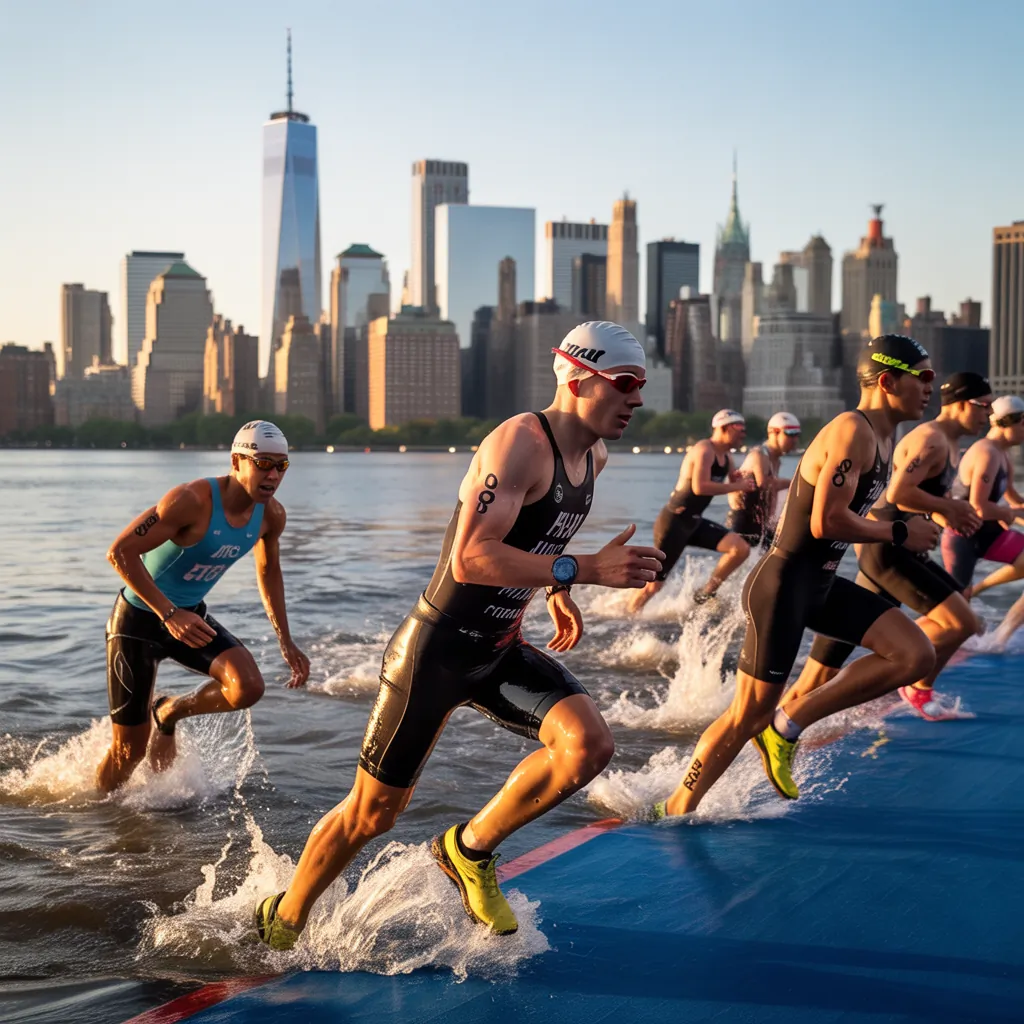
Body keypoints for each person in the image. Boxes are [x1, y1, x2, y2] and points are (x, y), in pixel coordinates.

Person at [255, 322, 665, 951]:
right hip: (437, 650)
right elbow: (471, 559)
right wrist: (582, 570)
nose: (637, 398)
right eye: (626, 383)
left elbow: (536, 538)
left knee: (588, 747)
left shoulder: (595, 456)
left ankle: (467, 851)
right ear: (579, 378)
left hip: (498, 648)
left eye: (642, 384)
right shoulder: (518, 443)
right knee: (373, 813)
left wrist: (558, 590)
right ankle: (281, 921)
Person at [655, 335, 940, 816]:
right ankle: (677, 805)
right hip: (782, 585)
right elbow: (823, 521)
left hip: (821, 585)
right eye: (925, 376)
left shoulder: (884, 437)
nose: (932, 387)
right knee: (746, 712)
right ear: (888, 380)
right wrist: (898, 532)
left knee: (914, 653)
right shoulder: (853, 430)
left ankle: (788, 724)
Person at [97, 420, 310, 792]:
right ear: (236, 460)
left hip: (188, 616)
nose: (273, 474)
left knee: (247, 687)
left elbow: (269, 571)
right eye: (263, 463)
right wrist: (168, 613)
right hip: (137, 621)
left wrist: (285, 640)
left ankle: (169, 711)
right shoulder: (190, 501)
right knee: (128, 751)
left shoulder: (271, 516)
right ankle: (98, 821)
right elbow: (120, 553)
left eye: (282, 466)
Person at [781, 372, 991, 723]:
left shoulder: (949, 444)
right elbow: (898, 493)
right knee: (961, 622)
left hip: (893, 548)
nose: (987, 415)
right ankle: (913, 686)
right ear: (958, 405)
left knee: (824, 666)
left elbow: (917, 497)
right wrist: (948, 508)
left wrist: (946, 512)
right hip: (888, 550)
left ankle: (782, 717)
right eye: (983, 406)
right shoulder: (932, 439)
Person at [629, 409, 755, 613]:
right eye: (739, 428)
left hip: (694, 522)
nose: (743, 433)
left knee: (740, 549)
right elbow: (700, 487)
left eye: (744, 429)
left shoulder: (727, 457)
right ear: (723, 428)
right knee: (655, 585)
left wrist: (743, 484)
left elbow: (734, 486)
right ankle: (627, 617)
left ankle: (706, 593)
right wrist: (737, 486)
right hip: (674, 522)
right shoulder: (704, 450)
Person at [942, 394, 1024, 648]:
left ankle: (1000, 639)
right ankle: (921, 652)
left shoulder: (1003, 456)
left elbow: (1013, 501)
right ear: (1006, 423)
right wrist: (1009, 515)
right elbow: (979, 508)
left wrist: (1014, 512)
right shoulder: (986, 454)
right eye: (1023, 424)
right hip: (962, 537)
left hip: (989, 534)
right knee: (954, 616)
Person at [725, 412, 801, 547]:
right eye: (790, 433)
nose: (794, 439)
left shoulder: (776, 460)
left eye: (797, 433)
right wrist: (794, 483)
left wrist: (772, 524)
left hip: (760, 521)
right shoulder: (759, 454)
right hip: (743, 518)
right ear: (774, 432)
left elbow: (771, 495)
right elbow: (765, 485)